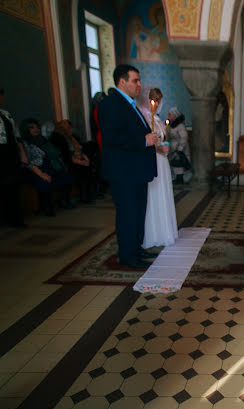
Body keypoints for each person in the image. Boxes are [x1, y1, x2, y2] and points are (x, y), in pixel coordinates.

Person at [98, 64, 158, 269]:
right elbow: (113, 137)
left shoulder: (129, 104)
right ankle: (127, 255)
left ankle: (136, 248)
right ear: (122, 82)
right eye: (135, 80)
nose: (139, 85)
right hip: (123, 172)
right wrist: (144, 141)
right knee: (127, 213)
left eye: (139, 80)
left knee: (138, 211)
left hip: (135, 171)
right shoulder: (111, 104)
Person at [137, 87, 178, 247]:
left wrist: (165, 146)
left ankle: (164, 231)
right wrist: (159, 148)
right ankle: (153, 234)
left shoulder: (157, 119)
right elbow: (146, 142)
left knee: (163, 193)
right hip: (151, 160)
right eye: (154, 100)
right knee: (153, 195)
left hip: (162, 161)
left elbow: (161, 137)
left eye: (159, 100)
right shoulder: (143, 119)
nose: (157, 103)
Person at [0, 83, 27, 227]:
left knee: (15, 184)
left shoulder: (5, 113)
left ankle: (17, 217)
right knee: (4, 186)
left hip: (11, 151)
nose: (1, 97)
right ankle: (8, 217)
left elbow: (16, 134)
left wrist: (22, 153)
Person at [20, 119, 74, 216]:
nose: (35, 130)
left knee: (66, 176)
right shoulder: (24, 143)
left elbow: (55, 153)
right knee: (45, 181)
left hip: (49, 165)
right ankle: (47, 206)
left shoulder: (43, 139)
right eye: (32, 128)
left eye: (37, 127)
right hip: (35, 169)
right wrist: (41, 174)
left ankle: (64, 201)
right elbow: (28, 163)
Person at [167, 107, 192, 184]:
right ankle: (177, 177)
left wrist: (180, 147)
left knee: (179, 162)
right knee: (174, 163)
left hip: (180, 147)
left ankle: (180, 178)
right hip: (173, 146)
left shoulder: (180, 125)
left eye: (170, 115)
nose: (168, 116)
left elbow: (184, 137)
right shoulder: (171, 124)